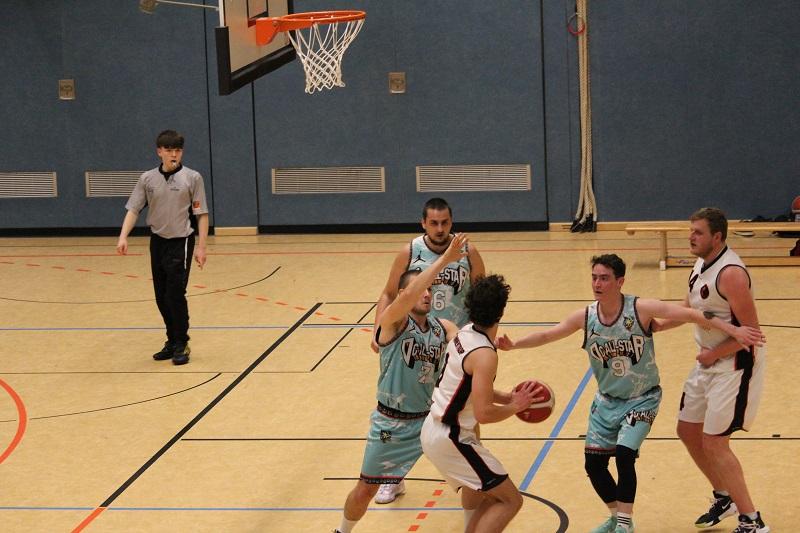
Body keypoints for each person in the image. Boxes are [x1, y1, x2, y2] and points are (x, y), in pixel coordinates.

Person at [495, 254, 763, 533]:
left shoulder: (640, 309)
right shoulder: (585, 316)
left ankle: (625, 523)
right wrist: (515, 345)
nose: (597, 284)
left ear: (620, 281)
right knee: (594, 464)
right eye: (594, 278)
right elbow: (548, 335)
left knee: (624, 454)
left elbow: (691, 313)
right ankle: (616, 516)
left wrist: (732, 329)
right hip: (606, 401)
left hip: (642, 399)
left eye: (604, 278)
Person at [333, 234, 467, 533]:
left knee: (471, 477)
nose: (428, 294)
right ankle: (342, 530)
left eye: (430, 289)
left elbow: (468, 350)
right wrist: (445, 260)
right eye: (422, 289)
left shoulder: (443, 327)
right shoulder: (392, 322)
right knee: (365, 489)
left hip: (431, 422)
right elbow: (404, 298)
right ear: (406, 293)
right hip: (390, 425)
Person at [656, 208, 770, 533]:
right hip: (708, 360)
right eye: (691, 230)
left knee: (715, 442)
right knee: (687, 430)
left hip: (734, 364)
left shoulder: (731, 274)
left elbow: (752, 333)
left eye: (698, 232)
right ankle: (724, 496)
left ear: (717, 237)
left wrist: (714, 354)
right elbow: (690, 308)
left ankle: (752, 521)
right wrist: (657, 325)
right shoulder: (700, 264)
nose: (691, 237)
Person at [371, 197, 486, 503]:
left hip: (454, 345)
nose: (439, 228)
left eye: (444, 222)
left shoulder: (468, 251)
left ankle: (476, 472)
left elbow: (483, 297)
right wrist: (378, 327)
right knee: (402, 412)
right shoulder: (409, 252)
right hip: (415, 342)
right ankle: (393, 477)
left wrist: (480, 340)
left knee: (466, 410)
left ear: (452, 222)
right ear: (423, 223)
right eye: (433, 223)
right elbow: (389, 293)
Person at [421, 274, 543, 533]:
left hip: (434, 429)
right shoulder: (485, 354)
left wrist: (508, 397)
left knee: (488, 495)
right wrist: (515, 407)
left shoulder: (465, 333)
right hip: (451, 437)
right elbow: (484, 413)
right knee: (510, 500)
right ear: (501, 311)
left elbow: (468, 388)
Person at [116, 130, 208, 365]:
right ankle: (172, 340)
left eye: (177, 150)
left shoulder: (192, 178)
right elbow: (134, 209)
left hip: (181, 241)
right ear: (159, 152)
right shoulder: (147, 179)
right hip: (157, 242)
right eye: (168, 150)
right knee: (161, 296)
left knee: (175, 294)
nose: (173, 154)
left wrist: (201, 247)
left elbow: (202, 214)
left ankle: (182, 342)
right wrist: (123, 236)